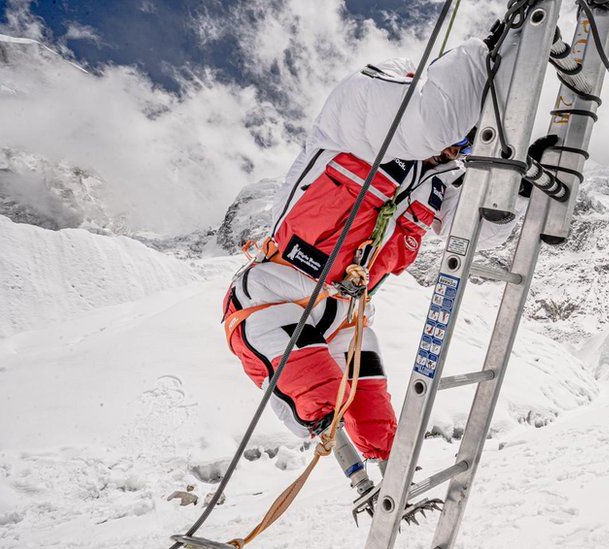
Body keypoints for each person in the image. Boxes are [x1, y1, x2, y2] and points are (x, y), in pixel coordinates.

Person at [221, 32, 518, 500]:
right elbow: (433, 120)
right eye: (459, 142)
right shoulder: (361, 106)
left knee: (372, 407)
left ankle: (391, 485)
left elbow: (488, 228)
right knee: (316, 394)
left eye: (464, 146)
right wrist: (496, 52)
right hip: (272, 295)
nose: (455, 152)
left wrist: (516, 177)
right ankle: (357, 481)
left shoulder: (440, 176)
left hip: (345, 311)